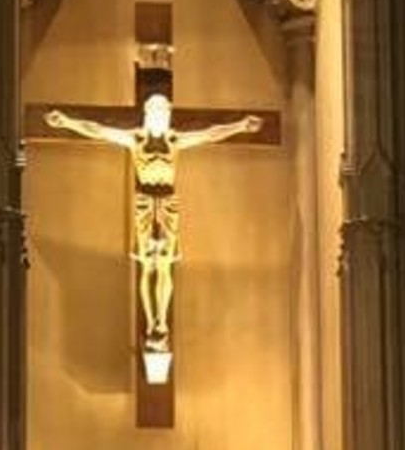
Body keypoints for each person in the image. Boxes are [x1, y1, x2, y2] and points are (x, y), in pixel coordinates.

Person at [43, 92, 261, 356]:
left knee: (165, 265)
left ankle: (161, 322)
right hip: (145, 203)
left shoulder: (174, 140)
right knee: (147, 265)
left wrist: (239, 126)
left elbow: (210, 134)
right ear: (148, 115)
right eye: (156, 113)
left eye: (164, 113)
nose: (161, 117)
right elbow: (98, 130)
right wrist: (67, 122)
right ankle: (151, 324)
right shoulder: (135, 139)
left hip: (168, 204)